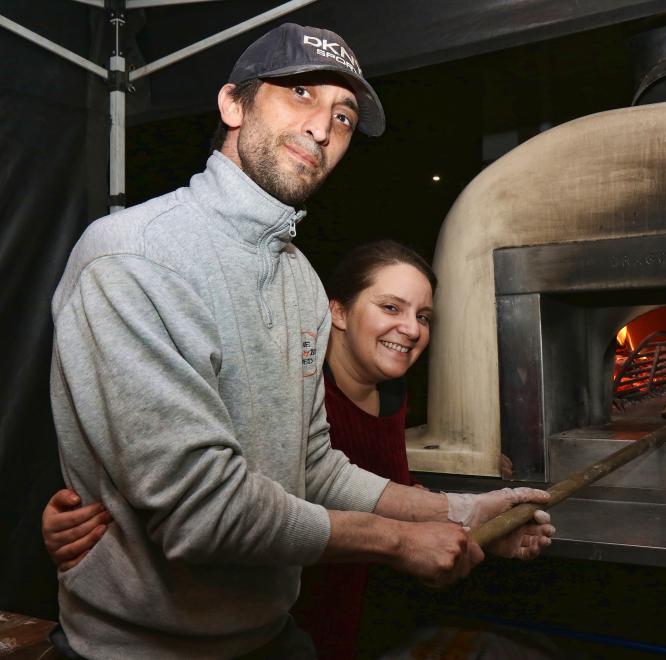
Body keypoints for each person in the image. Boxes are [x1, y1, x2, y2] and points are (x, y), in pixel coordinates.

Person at [47, 22, 553, 659]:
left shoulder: (303, 283)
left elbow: (313, 467)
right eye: (302, 94)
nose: (323, 128)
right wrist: (396, 542)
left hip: (272, 638)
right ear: (234, 105)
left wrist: (456, 511)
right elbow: (203, 512)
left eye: (343, 117)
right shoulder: (133, 258)